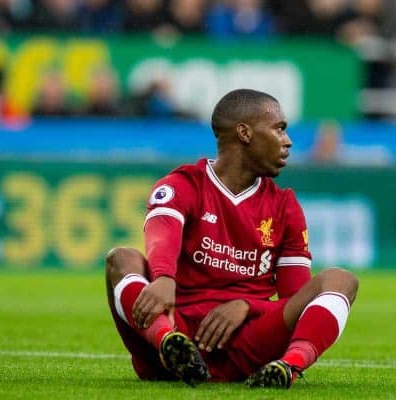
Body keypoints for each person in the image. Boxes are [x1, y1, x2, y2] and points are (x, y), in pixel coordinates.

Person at [104, 89, 359, 388]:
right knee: (122, 258)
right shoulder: (184, 184)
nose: (288, 141)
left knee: (341, 281)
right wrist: (163, 278)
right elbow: (162, 236)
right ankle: (169, 345)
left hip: (249, 343)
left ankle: (287, 367)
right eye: (278, 129)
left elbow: (294, 299)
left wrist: (248, 306)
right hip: (179, 323)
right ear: (244, 133)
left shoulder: (285, 206)